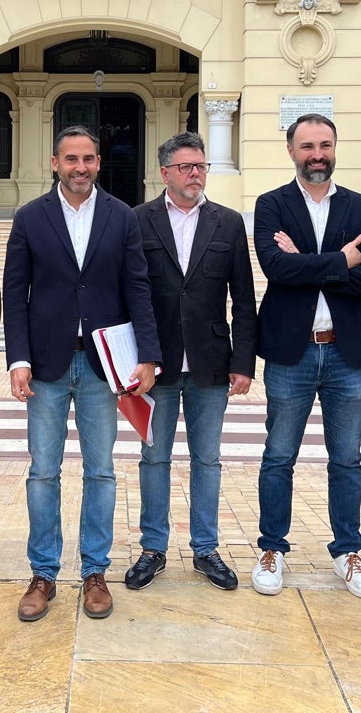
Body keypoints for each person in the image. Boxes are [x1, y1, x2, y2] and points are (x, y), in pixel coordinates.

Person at [5, 125, 161, 622]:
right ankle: (43, 573)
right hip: (47, 366)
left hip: (102, 366)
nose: (80, 167)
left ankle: (95, 572)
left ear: (98, 162)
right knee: (42, 473)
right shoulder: (30, 217)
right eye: (71, 159)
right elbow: (15, 292)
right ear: (55, 162)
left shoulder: (121, 216)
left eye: (88, 159)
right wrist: (19, 359)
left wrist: (148, 355)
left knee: (101, 471)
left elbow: (138, 286)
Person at [252, 114, 361, 600]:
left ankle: (347, 551)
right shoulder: (271, 205)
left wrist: (306, 265)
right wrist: (340, 261)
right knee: (278, 456)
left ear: (335, 148)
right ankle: (272, 549)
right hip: (291, 352)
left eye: (325, 145)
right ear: (291, 150)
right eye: (307, 145)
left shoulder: (360, 208)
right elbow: (275, 268)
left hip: (345, 353)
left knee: (347, 460)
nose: (317, 154)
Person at [126, 132, 256, 592]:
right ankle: (153, 548)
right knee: (154, 458)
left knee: (208, 460)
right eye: (186, 167)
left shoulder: (228, 223)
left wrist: (243, 361)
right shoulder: (137, 221)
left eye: (200, 166)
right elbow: (129, 296)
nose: (196, 174)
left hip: (211, 364)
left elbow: (243, 297)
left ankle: (206, 549)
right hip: (154, 366)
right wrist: (133, 359)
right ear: (165, 173)